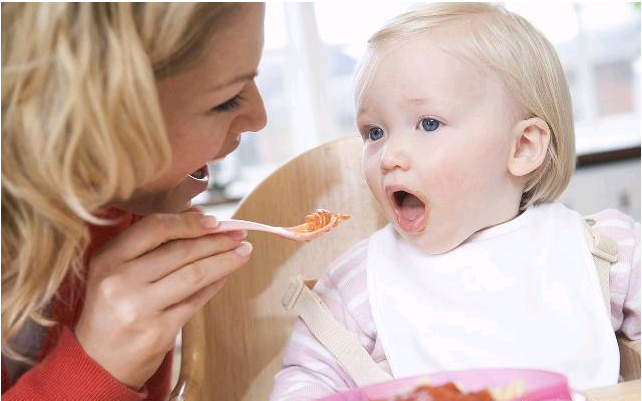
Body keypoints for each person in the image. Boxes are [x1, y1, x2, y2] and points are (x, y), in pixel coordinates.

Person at [270, 3, 640, 400]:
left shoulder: (606, 253)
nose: (389, 155)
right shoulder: (358, 282)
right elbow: (302, 382)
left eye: (428, 124)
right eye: (374, 132)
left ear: (523, 146)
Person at [2, 3, 267, 400]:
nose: (259, 117)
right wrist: (98, 369)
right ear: (84, 117)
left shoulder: (124, 221)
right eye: (227, 100)